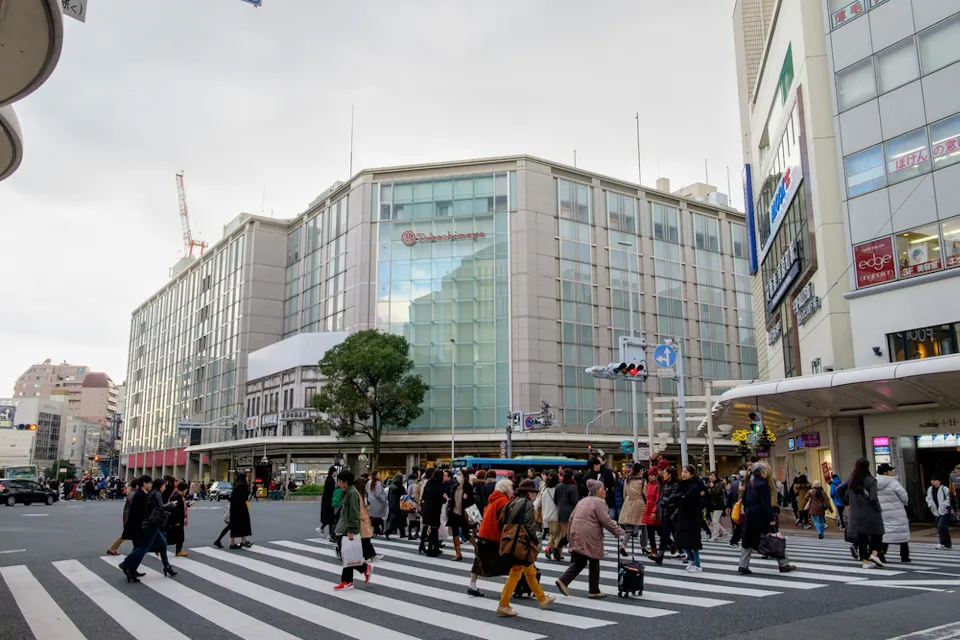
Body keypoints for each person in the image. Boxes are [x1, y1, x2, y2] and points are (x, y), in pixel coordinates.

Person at [555, 478, 626, 598]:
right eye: (603, 490)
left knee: (583, 561)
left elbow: (571, 517)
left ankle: (589, 588)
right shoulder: (599, 502)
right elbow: (606, 521)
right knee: (592, 559)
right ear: (598, 491)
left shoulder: (583, 500)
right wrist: (619, 532)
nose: (605, 492)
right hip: (589, 534)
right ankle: (587, 588)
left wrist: (570, 535)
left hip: (577, 531)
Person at [496, 479, 555, 617]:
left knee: (530, 570)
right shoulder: (527, 504)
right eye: (533, 492)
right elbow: (529, 525)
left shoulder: (512, 502)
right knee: (516, 571)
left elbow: (501, 521)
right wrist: (535, 541)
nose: (534, 495)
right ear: (529, 493)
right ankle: (503, 604)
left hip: (511, 540)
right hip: (521, 543)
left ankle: (542, 599)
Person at [737, 462, 796, 575]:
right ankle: (783, 563)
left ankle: (742, 565)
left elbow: (744, 500)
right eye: (765, 471)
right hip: (761, 516)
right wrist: (771, 518)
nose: (766, 473)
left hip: (749, 515)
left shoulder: (750, 483)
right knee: (775, 537)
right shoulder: (763, 484)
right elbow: (766, 504)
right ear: (762, 472)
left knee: (748, 540)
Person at [119, 476, 176, 582]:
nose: (151, 485)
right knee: (143, 547)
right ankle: (127, 565)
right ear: (145, 483)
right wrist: (167, 507)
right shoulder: (141, 495)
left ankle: (166, 566)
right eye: (150, 483)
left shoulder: (145, 494)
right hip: (145, 525)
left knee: (161, 544)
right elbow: (145, 511)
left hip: (147, 524)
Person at [837, 458, 885, 569]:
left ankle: (865, 562)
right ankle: (874, 554)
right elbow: (873, 498)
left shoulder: (852, 480)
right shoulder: (871, 481)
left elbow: (839, 489)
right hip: (871, 513)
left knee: (862, 538)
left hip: (856, 514)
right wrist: (879, 509)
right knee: (878, 534)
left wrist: (846, 503)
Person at [468, 478, 513, 597]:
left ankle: (472, 585)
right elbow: (504, 521)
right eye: (511, 487)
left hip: (484, 533)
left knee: (479, 560)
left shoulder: (493, 499)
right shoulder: (503, 501)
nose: (512, 490)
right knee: (511, 561)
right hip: (494, 536)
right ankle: (517, 586)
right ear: (506, 488)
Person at [332, 470, 373, 590]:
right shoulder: (348, 492)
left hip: (347, 529)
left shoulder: (352, 494)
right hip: (344, 528)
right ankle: (362, 569)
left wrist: (351, 530)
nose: (338, 483)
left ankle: (347, 581)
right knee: (347, 555)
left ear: (346, 482)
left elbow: (354, 514)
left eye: (339, 481)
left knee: (346, 555)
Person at [875, 463, 910, 562]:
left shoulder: (874, 482)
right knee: (901, 532)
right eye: (890, 470)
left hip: (883, 512)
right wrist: (905, 503)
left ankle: (881, 554)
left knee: (886, 534)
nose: (892, 472)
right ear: (886, 472)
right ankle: (904, 556)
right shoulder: (893, 482)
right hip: (897, 511)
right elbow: (904, 496)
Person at [675, 465, 705, 573]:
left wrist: (681, 498)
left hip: (693, 516)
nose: (683, 474)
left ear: (691, 474)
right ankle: (691, 560)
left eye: (686, 472)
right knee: (681, 539)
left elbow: (687, 499)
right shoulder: (683, 484)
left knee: (693, 542)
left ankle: (697, 564)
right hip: (683, 515)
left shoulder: (695, 485)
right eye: (682, 472)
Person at [651, 465, 681, 565]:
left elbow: (673, 498)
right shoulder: (665, 484)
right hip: (666, 512)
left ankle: (689, 556)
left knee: (676, 534)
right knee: (664, 534)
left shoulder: (676, 484)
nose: (663, 475)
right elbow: (662, 496)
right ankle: (660, 556)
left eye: (665, 473)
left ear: (670, 474)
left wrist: (664, 501)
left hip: (674, 513)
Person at [106, 478, 141, 556]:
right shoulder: (133, 493)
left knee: (128, 535)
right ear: (137, 485)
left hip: (129, 516)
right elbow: (134, 505)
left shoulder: (132, 492)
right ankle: (113, 549)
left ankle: (113, 549)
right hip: (130, 517)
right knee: (127, 534)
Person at [447, 467, 475, 561]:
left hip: (464, 514)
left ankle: (477, 548)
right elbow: (452, 499)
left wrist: (467, 498)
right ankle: (458, 553)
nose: (457, 476)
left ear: (464, 476)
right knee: (455, 533)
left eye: (460, 474)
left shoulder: (468, 487)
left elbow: (471, 501)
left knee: (465, 533)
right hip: (454, 512)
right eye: (457, 474)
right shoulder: (455, 487)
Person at [551, 467, 580, 561]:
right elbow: (574, 501)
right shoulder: (573, 487)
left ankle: (557, 550)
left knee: (568, 535)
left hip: (561, 512)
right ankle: (571, 554)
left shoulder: (559, 486)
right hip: (571, 513)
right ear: (572, 476)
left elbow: (555, 500)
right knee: (572, 535)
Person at [419, 468, 445, 556]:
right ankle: (431, 549)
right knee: (434, 529)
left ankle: (423, 546)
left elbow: (423, 496)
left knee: (426, 527)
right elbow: (442, 499)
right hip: (435, 509)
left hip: (427, 508)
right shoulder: (440, 485)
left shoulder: (428, 483)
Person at [535, 470, 561, 557]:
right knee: (556, 535)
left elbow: (539, 501)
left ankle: (550, 549)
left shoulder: (545, 490)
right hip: (555, 515)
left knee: (552, 534)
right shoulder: (558, 489)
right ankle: (552, 550)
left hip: (546, 516)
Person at [619, 465, 646, 544]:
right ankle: (644, 546)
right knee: (644, 525)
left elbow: (625, 493)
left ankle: (624, 545)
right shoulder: (642, 480)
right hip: (639, 502)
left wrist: (627, 500)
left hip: (629, 501)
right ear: (640, 470)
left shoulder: (627, 480)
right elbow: (645, 493)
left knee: (629, 526)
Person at [926, 475, 954, 550]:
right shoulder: (930, 489)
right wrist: (930, 504)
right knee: (942, 527)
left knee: (941, 526)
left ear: (939, 481)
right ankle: (947, 544)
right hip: (935, 510)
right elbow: (928, 498)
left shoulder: (944, 488)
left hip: (944, 510)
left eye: (935, 480)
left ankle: (942, 543)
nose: (933, 482)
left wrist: (945, 505)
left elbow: (949, 497)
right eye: (932, 480)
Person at [228, 472, 253, 549]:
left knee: (234, 525)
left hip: (234, 508)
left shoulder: (235, 485)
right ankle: (243, 541)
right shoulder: (243, 485)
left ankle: (232, 542)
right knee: (244, 524)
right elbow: (245, 497)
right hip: (242, 508)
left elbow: (232, 497)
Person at [641, 467, 662, 556]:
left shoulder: (658, 485)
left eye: (653, 475)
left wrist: (654, 511)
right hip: (648, 509)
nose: (650, 477)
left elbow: (657, 499)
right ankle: (654, 549)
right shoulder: (648, 485)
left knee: (660, 532)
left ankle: (671, 544)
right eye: (649, 475)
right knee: (650, 533)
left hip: (655, 509)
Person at [166, 481, 189, 557]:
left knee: (177, 537)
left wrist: (188, 505)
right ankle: (158, 548)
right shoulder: (177, 496)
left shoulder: (178, 496)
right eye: (186, 490)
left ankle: (178, 551)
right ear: (183, 489)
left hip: (178, 519)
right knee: (175, 536)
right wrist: (176, 521)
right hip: (176, 520)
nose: (186, 492)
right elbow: (174, 510)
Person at [706, 471, 727, 542]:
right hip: (711, 506)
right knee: (715, 521)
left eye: (713, 476)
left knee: (715, 521)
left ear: (716, 477)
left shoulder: (719, 484)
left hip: (718, 505)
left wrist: (712, 488)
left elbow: (718, 494)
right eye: (710, 475)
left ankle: (715, 536)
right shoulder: (708, 484)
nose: (711, 477)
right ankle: (724, 531)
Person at [366, 469, 388, 536]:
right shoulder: (377, 483)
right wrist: (383, 499)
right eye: (378, 474)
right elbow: (378, 494)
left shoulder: (369, 482)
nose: (380, 475)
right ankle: (374, 530)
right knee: (377, 517)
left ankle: (376, 530)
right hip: (377, 503)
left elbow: (367, 491)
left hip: (371, 502)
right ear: (375, 475)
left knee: (373, 517)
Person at [385, 473, 407, 539]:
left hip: (393, 504)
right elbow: (404, 495)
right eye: (403, 478)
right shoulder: (399, 486)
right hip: (398, 505)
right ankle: (389, 531)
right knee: (398, 520)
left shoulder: (392, 486)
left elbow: (389, 496)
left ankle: (402, 533)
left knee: (399, 519)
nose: (404, 479)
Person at [319, 466, 338, 536]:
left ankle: (323, 529)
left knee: (329, 518)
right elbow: (332, 491)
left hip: (327, 501)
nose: (336, 473)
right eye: (335, 471)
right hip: (329, 502)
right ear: (333, 472)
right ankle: (330, 534)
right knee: (331, 518)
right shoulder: (331, 480)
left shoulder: (329, 479)